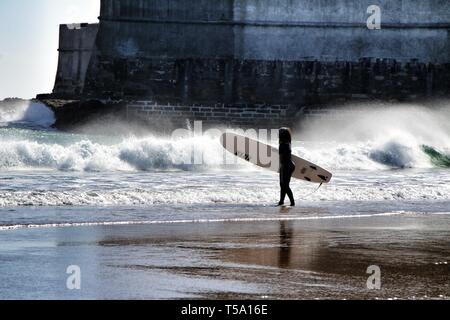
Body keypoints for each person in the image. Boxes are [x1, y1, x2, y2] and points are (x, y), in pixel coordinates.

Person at [278, 128, 296, 207]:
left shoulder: (283, 144)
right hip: (289, 165)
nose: (278, 134)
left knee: (284, 185)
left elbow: (282, 157)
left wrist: (281, 166)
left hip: (286, 166)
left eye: (280, 133)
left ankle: (292, 202)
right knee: (283, 184)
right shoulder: (288, 143)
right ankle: (281, 201)